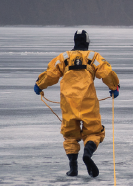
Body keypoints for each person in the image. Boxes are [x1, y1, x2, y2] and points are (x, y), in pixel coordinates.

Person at [34, 30, 120, 178]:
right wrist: (114, 87)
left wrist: (39, 85)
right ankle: (87, 154)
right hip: (88, 100)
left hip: (68, 101)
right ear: (87, 42)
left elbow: (50, 74)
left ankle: (73, 168)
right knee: (94, 131)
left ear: (74, 41)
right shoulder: (93, 57)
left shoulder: (63, 58)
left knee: (70, 135)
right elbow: (106, 72)